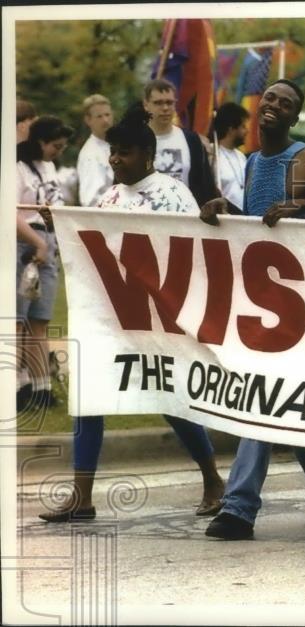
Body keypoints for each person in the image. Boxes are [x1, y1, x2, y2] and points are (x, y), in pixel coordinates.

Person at [39, 106, 226, 522]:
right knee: (90, 395)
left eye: (123, 153)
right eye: (112, 153)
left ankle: (213, 477)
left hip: (157, 317)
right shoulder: (108, 195)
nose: (115, 160)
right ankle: (82, 496)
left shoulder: (173, 193)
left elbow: (188, 255)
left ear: (148, 155)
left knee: (169, 397)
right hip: (111, 316)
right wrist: (64, 223)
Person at [200, 79, 305, 541]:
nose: (275, 106)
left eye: (286, 104)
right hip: (263, 301)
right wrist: (227, 209)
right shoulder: (251, 162)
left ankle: (240, 507)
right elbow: (258, 222)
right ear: (257, 106)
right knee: (282, 406)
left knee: (262, 401)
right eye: (270, 99)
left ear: (295, 117)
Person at [15, 115, 73, 412]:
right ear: (40, 141)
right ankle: (16, 385)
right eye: (55, 146)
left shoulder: (49, 167)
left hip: (48, 242)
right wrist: (37, 243)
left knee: (40, 320)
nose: (58, 152)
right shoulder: (17, 168)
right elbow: (11, 212)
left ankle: (42, 387)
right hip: (25, 242)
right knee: (18, 321)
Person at [142, 78, 219, 205]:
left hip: (186, 218)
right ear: (146, 105)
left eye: (169, 102)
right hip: (146, 216)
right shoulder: (135, 140)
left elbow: (205, 187)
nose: (165, 108)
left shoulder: (191, 140)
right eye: (158, 103)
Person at [77, 94, 115, 207]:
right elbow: (90, 200)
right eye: (99, 116)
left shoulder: (115, 145)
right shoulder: (90, 154)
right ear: (88, 120)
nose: (105, 120)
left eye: (107, 115)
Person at [212, 102, 249, 212]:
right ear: (231, 128)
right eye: (243, 126)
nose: (247, 131)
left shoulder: (241, 156)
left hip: (245, 218)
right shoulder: (212, 155)